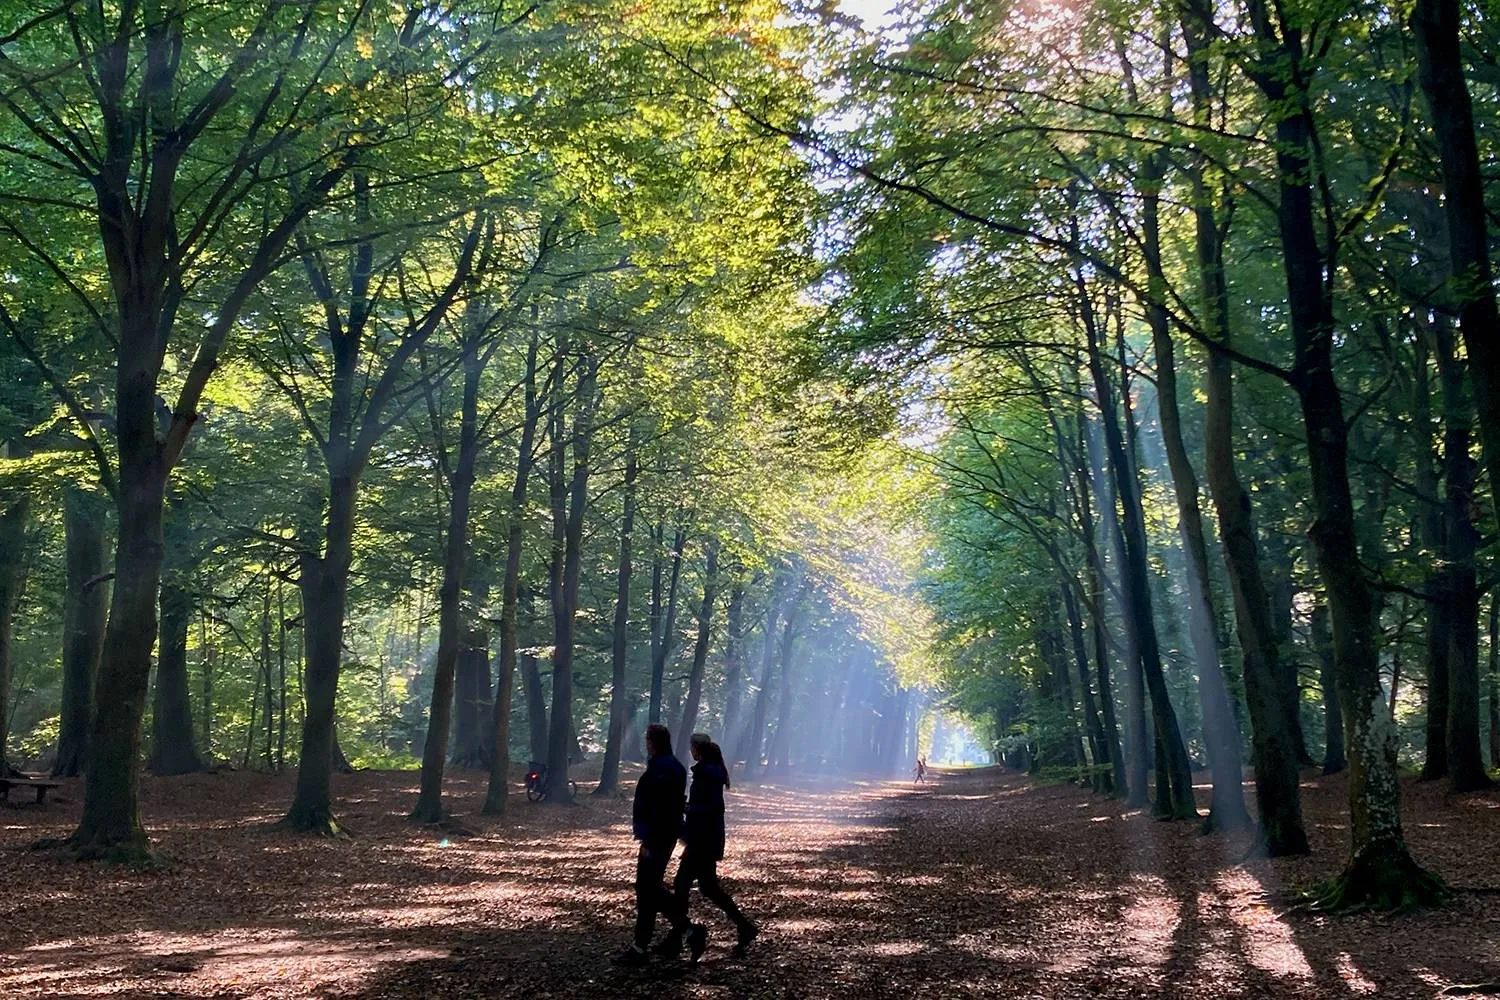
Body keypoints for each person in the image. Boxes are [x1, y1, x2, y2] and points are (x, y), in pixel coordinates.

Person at [658, 733, 758, 962]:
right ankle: (744, 926)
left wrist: (686, 809)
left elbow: (709, 808)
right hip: (707, 839)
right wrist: (689, 808)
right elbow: (708, 806)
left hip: (701, 840)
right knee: (708, 888)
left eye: (691, 747)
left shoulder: (705, 774)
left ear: (696, 749)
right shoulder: (710, 772)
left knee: (682, 884)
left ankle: (681, 935)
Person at [615, 724, 688, 967]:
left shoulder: (662, 769)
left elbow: (659, 807)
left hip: (657, 837)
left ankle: (682, 931)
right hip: (663, 835)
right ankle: (648, 942)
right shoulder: (672, 767)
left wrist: (648, 838)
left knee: (647, 888)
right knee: (649, 888)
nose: (646, 743)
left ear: (654, 741)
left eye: (648, 739)